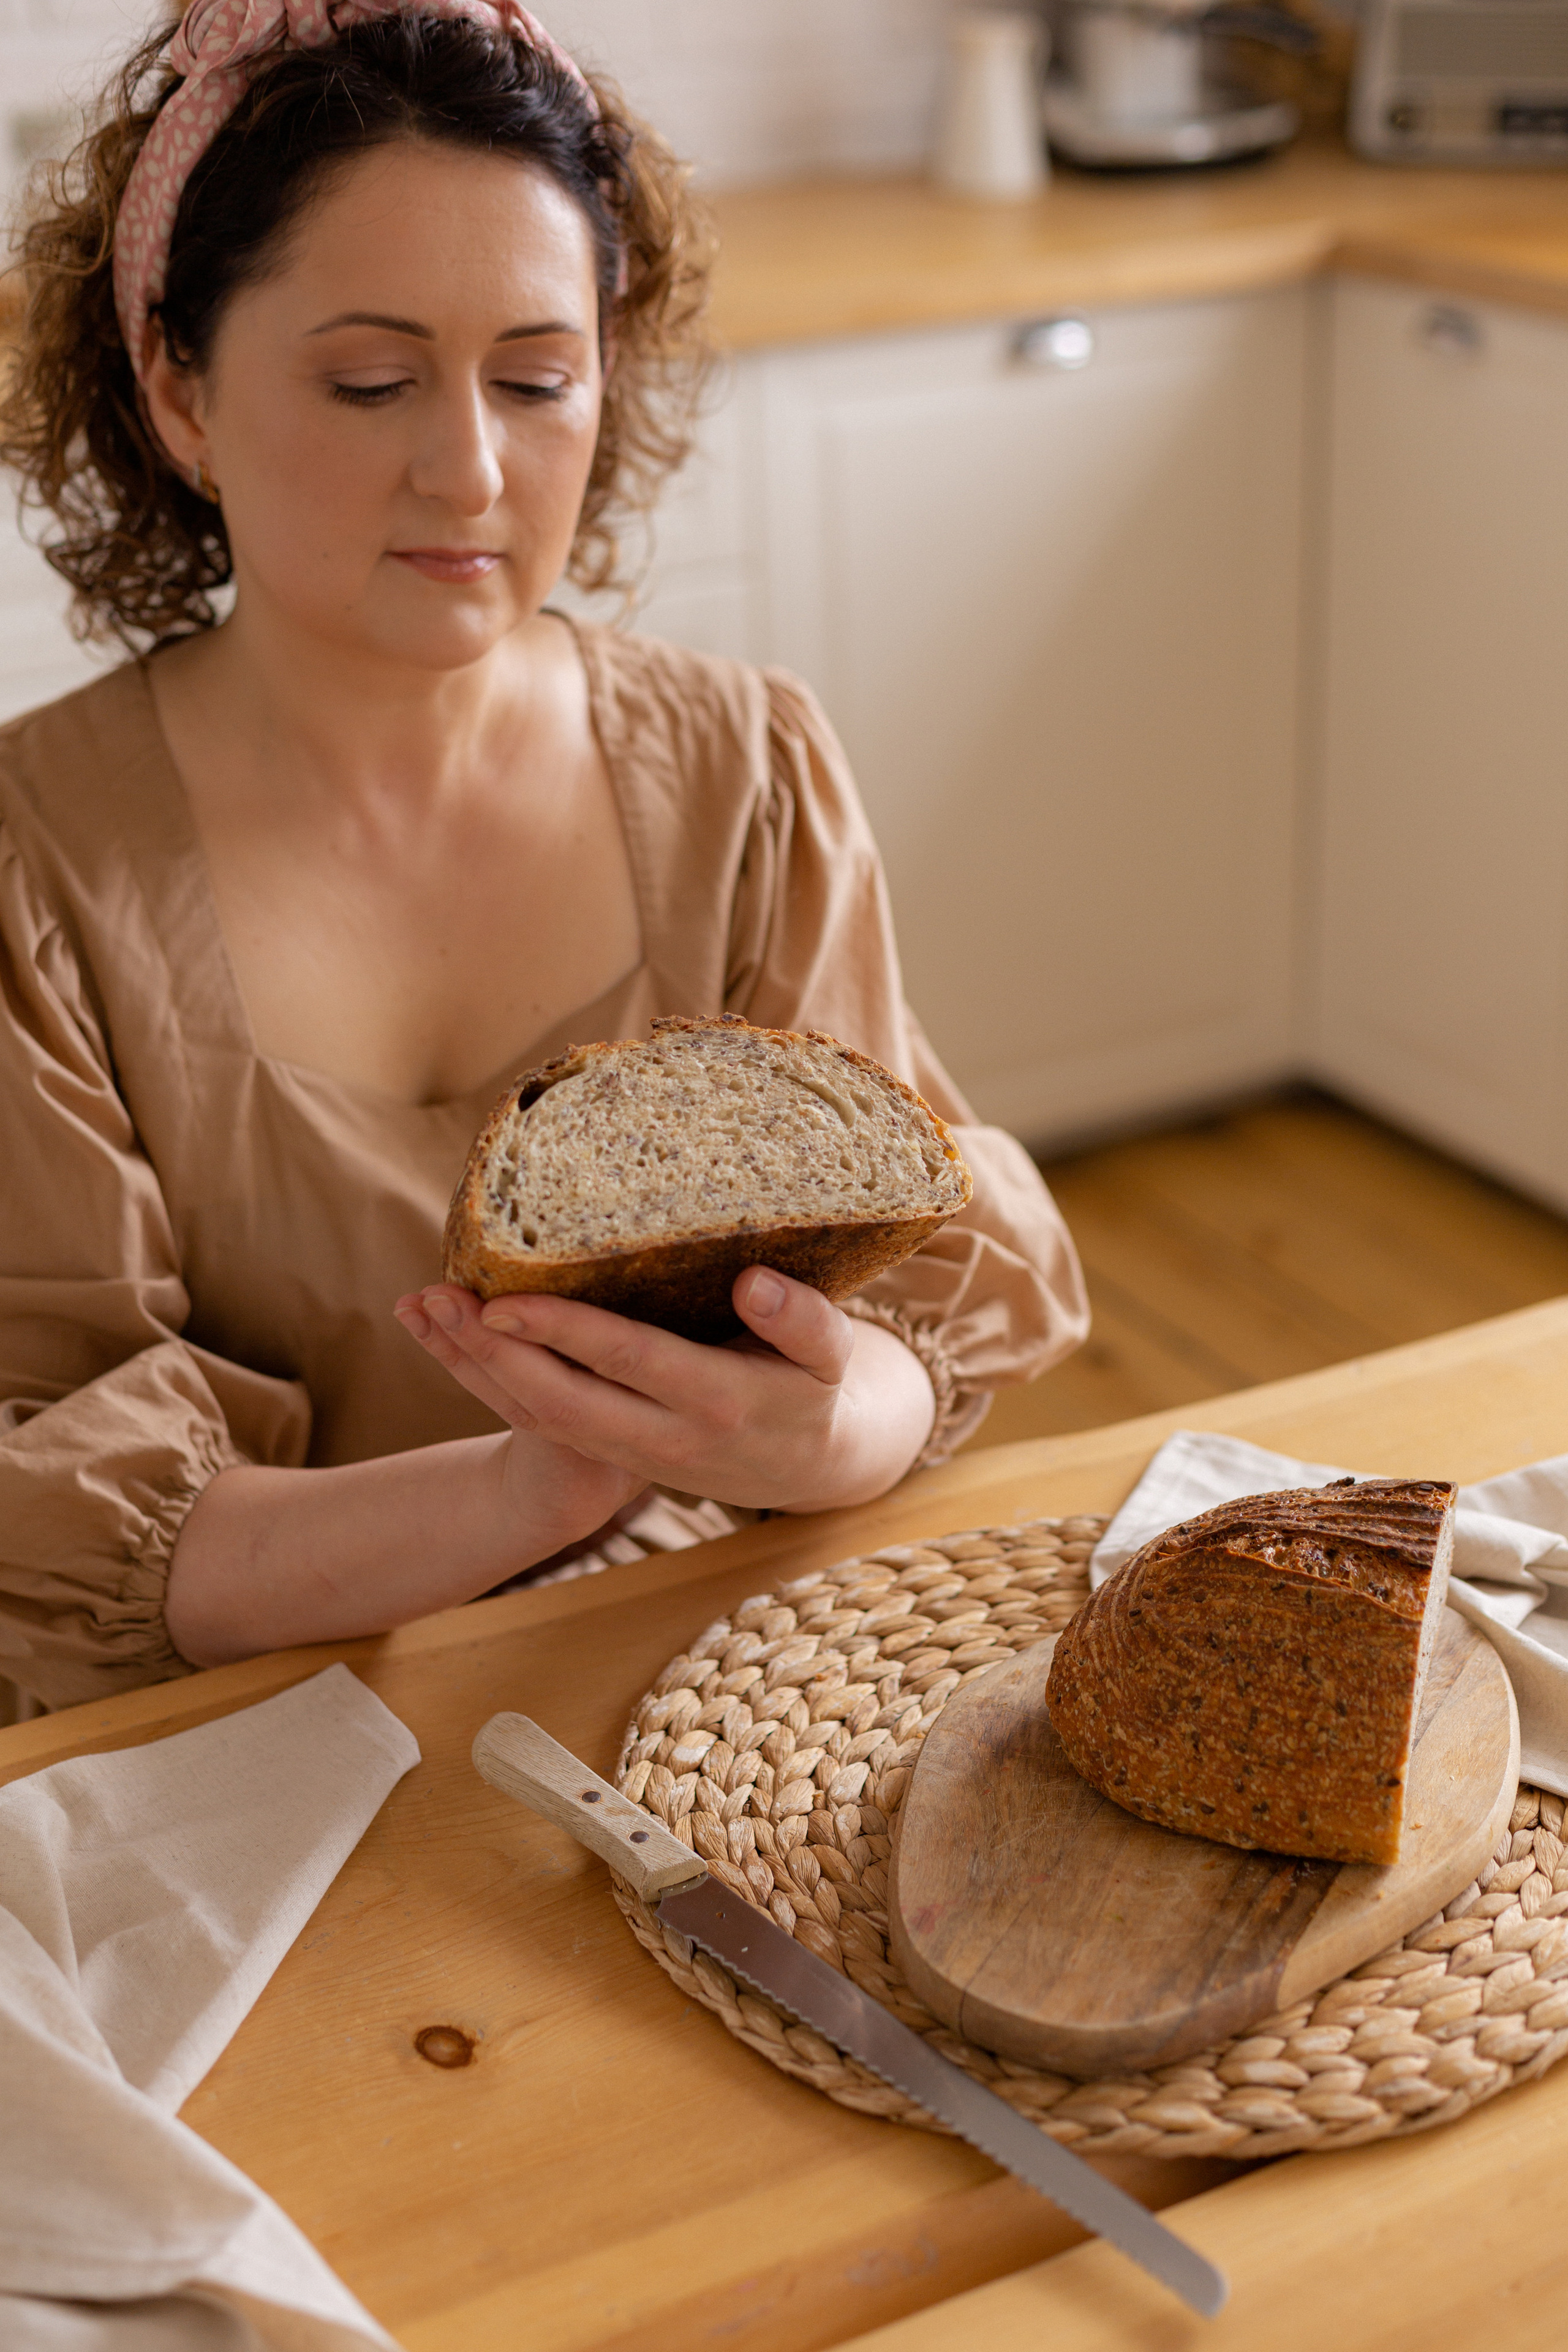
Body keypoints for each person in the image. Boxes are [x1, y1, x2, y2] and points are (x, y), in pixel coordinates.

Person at [0, 0, 1089, 1717]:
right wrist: (535, 1486)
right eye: (370, 383)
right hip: (224, 1725)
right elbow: (49, 1522)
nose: (472, 468)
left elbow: (921, 1296)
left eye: (535, 377)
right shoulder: (32, 870)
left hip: (693, 1673)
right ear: (174, 387)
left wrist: (837, 1419)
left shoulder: (750, 767)